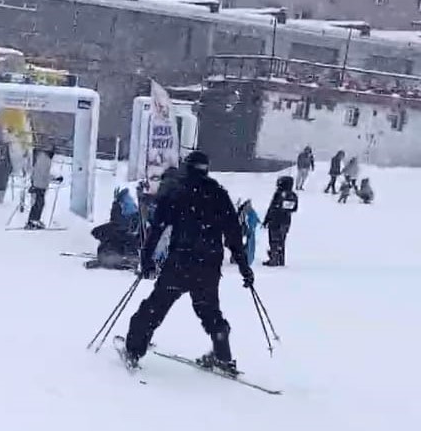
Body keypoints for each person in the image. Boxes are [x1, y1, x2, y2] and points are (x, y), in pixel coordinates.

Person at [122, 151, 253, 375]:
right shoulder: (218, 193)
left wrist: (146, 259)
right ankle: (223, 357)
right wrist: (243, 267)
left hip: (181, 262)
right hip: (209, 264)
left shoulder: (176, 192)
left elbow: (157, 228)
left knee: (155, 306)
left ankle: (134, 350)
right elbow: (233, 232)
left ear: (186, 167)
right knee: (209, 311)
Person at [262, 175, 298, 267]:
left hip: (275, 220)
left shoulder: (278, 194)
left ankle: (274, 260)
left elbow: (272, 208)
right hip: (286, 221)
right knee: (282, 240)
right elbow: (294, 209)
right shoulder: (293, 195)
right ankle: (281, 260)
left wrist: (266, 220)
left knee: (273, 240)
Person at [26, 147, 61, 229]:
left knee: (38, 203)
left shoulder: (43, 158)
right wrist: (54, 178)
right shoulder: (45, 160)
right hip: (39, 185)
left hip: (38, 183)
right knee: (39, 203)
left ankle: (34, 220)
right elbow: (44, 174)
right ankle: (33, 221)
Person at [237, 199, 261, 266]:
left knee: (247, 244)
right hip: (247, 230)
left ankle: (244, 258)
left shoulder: (249, 212)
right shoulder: (247, 212)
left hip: (248, 231)